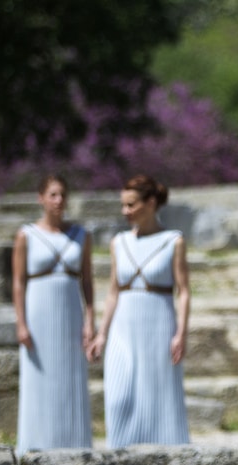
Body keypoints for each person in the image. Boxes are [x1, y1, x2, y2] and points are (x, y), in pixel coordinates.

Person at [88, 174, 190, 449]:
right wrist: (101, 334)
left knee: (160, 393)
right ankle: (118, 457)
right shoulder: (119, 242)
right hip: (123, 325)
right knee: (118, 396)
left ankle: (170, 455)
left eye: (131, 205)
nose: (125, 211)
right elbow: (112, 291)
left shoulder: (173, 241)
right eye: (124, 205)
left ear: (151, 202)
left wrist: (181, 333)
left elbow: (183, 291)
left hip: (159, 323)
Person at [12, 175, 94, 454]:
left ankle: (74, 443)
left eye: (62, 195)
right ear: (41, 198)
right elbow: (18, 281)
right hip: (38, 314)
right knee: (39, 377)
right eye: (53, 195)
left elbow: (88, 282)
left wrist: (90, 320)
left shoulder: (81, 235)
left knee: (70, 376)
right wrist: (21, 323)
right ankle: (35, 445)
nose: (59, 201)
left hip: (71, 313)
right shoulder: (26, 235)